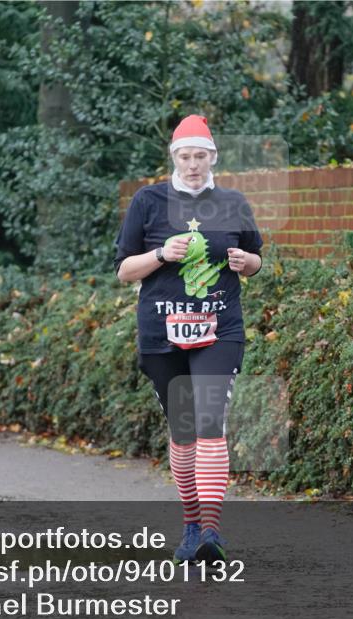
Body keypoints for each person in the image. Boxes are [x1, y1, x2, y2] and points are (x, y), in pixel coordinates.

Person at [114, 114, 264, 564]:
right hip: (162, 333)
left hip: (220, 329)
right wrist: (161, 253)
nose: (193, 164)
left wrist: (246, 263)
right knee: (184, 433)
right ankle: (192, 524)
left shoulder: (233, 202)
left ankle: (212, 533)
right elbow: (124, 270)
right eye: (185, 157)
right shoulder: (148, 200)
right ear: (174, 159)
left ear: (212, 157)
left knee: (210, 422)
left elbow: (257, 258)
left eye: (200, 156)